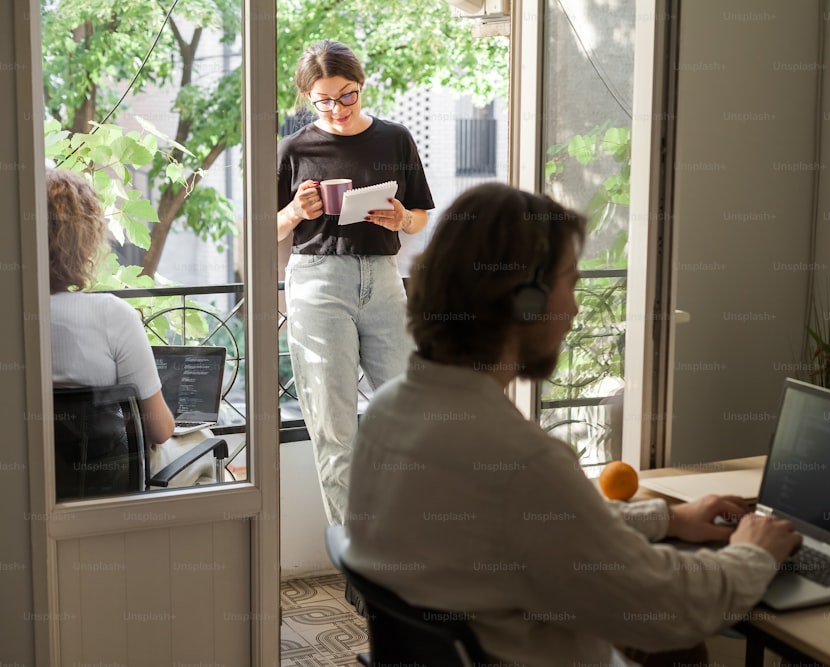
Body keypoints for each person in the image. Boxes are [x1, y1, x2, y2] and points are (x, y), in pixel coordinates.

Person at [344, 183, 802, 666]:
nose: (576, 310)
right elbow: (667, 608)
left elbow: (523, 529)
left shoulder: (388, 413)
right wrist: (756, 551)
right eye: (572, 284)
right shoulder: (520, 463)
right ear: (527, 302)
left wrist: (667, 518)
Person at [277, 40, 434, 526]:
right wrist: (293, 212)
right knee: (335, 430)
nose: (338, 109)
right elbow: (267, 227)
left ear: (361, 85)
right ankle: (358, 560)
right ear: (308, 98)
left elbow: (422, 216)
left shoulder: (395, 139)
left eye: (346, 95)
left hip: (384, 282)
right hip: (318, 283)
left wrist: (401, 217)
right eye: (323, 100)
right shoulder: (294, 148)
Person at [48, 169, 176, 490]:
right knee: (201, 446)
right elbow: (159, 430)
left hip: (29, 493)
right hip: (105, 492)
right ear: (87, 240)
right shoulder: (111, 315)